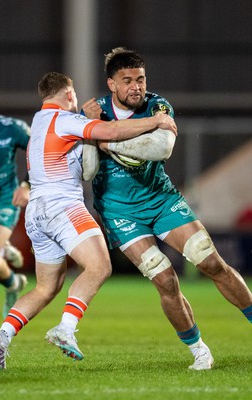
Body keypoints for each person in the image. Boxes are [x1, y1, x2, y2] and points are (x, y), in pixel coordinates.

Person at [0, 71, 174, 369]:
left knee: (46, 288)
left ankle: (1, 338)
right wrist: (156, 121)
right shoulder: (67, 120)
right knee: (100, 266)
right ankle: (66, 328)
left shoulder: (39, 121)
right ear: (69, 95)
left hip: (37, 212)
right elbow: (111, 133)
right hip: (63, 206)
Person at [81, 47, 252, 370]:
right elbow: (88, 170)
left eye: (141, 79)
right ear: (112, 85)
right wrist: (92, 132)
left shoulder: (158, 106)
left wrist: (107, 140)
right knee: (164, 280)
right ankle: (200, 351)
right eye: (127, 80)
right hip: (120, 212)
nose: (136, 87)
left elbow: (161, 148)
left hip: (162, 201)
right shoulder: (93, 112)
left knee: (212, 263)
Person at [0, 76, 29, 319]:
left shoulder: (12, 128)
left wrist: (26, 185)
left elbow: (42, 151)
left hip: (3, 201)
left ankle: (2, 247)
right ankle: (13, 282)